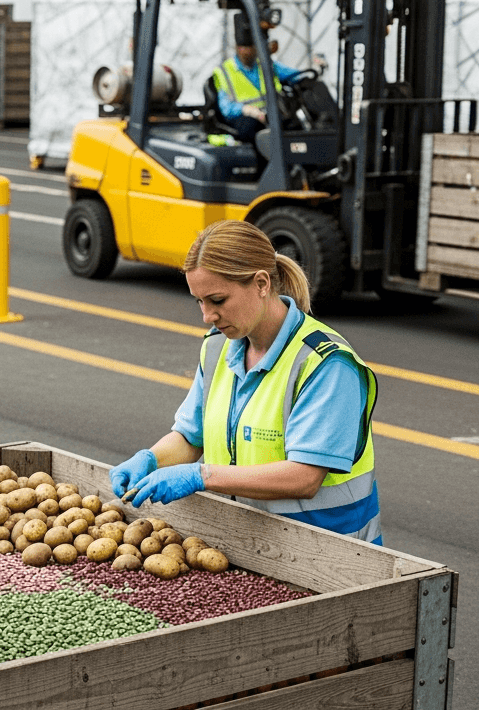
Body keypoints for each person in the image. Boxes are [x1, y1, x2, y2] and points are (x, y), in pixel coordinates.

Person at [111, 220, 382, 544]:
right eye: (199, 301)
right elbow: (191, 436)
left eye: (218, 300)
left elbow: (304, 477)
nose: (207, 316)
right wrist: (150, 459)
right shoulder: (217, 347)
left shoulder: (326, 363)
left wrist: (202, 476)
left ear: (261, 283)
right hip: (250, 546)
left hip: (330, 552)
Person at [211, 14, 306, 145]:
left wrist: (313, 71)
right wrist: (249, 110)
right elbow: (226, 108)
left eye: (251, 47)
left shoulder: (265, 64)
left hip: (269, 113)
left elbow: (293, 75)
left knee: (293, 124)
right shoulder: (224, 71)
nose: (247, 52)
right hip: (244, 117)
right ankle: (264, 158)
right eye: (244, 48)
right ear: (237, 48)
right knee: (252, 128)